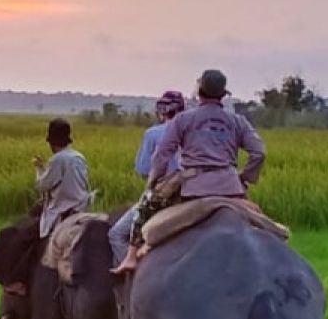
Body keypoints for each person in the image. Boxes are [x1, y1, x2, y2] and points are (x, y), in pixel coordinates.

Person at [112, 69, 265, 274]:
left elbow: (162, 155)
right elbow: (259, 153)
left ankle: (130, 257)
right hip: (230, 186)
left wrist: (153, 182)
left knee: (144, 208)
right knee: (261, 222)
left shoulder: (183, 120)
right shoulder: (238, 121)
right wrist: (244, 177)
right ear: (223, 94)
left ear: (199, 91)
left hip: (194, 185)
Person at [0, 119, 92, 296]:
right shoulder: (79, 157)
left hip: (61, 213)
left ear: (51, 142)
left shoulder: (57, 159)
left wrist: (39, 169)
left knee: (20, 239)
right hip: (81, 210)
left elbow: (42, 185)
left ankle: (16, 281)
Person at [107, 91, 185, 265]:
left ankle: (129, 275)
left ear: (161, 112)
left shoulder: (153, 133)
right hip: (194, 193)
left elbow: (143, 169)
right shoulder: (191, 132)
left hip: (163, 196)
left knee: (117, 234)